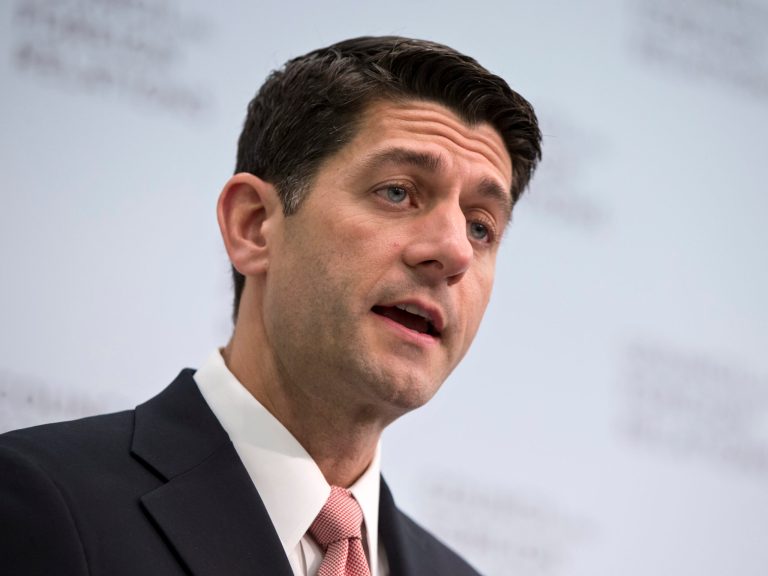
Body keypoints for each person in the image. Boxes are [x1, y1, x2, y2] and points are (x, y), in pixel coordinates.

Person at [0, 36, 541, 575]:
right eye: (398, 191)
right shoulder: (41, 502)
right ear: (254, 226)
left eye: (480, 226)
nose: (453, 252)